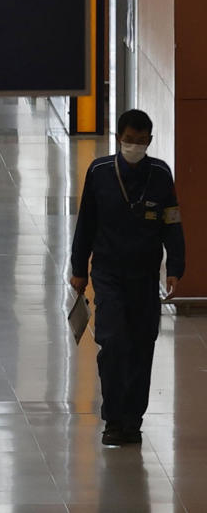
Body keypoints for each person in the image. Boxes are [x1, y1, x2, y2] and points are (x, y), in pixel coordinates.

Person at [70, 109, 185, 446]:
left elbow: (172, 224)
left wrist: (176, 269)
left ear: (149, 140)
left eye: (141, 141)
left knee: (140, 346)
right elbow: (86, 223)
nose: (135, 146)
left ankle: (132, 421)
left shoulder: (161, 176)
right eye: (129, 140)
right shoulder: (101, 172)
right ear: (119, 138)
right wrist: (79, 270)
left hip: (145, 276)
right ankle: (113, 418)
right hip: (108, 273)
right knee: (114, 341)